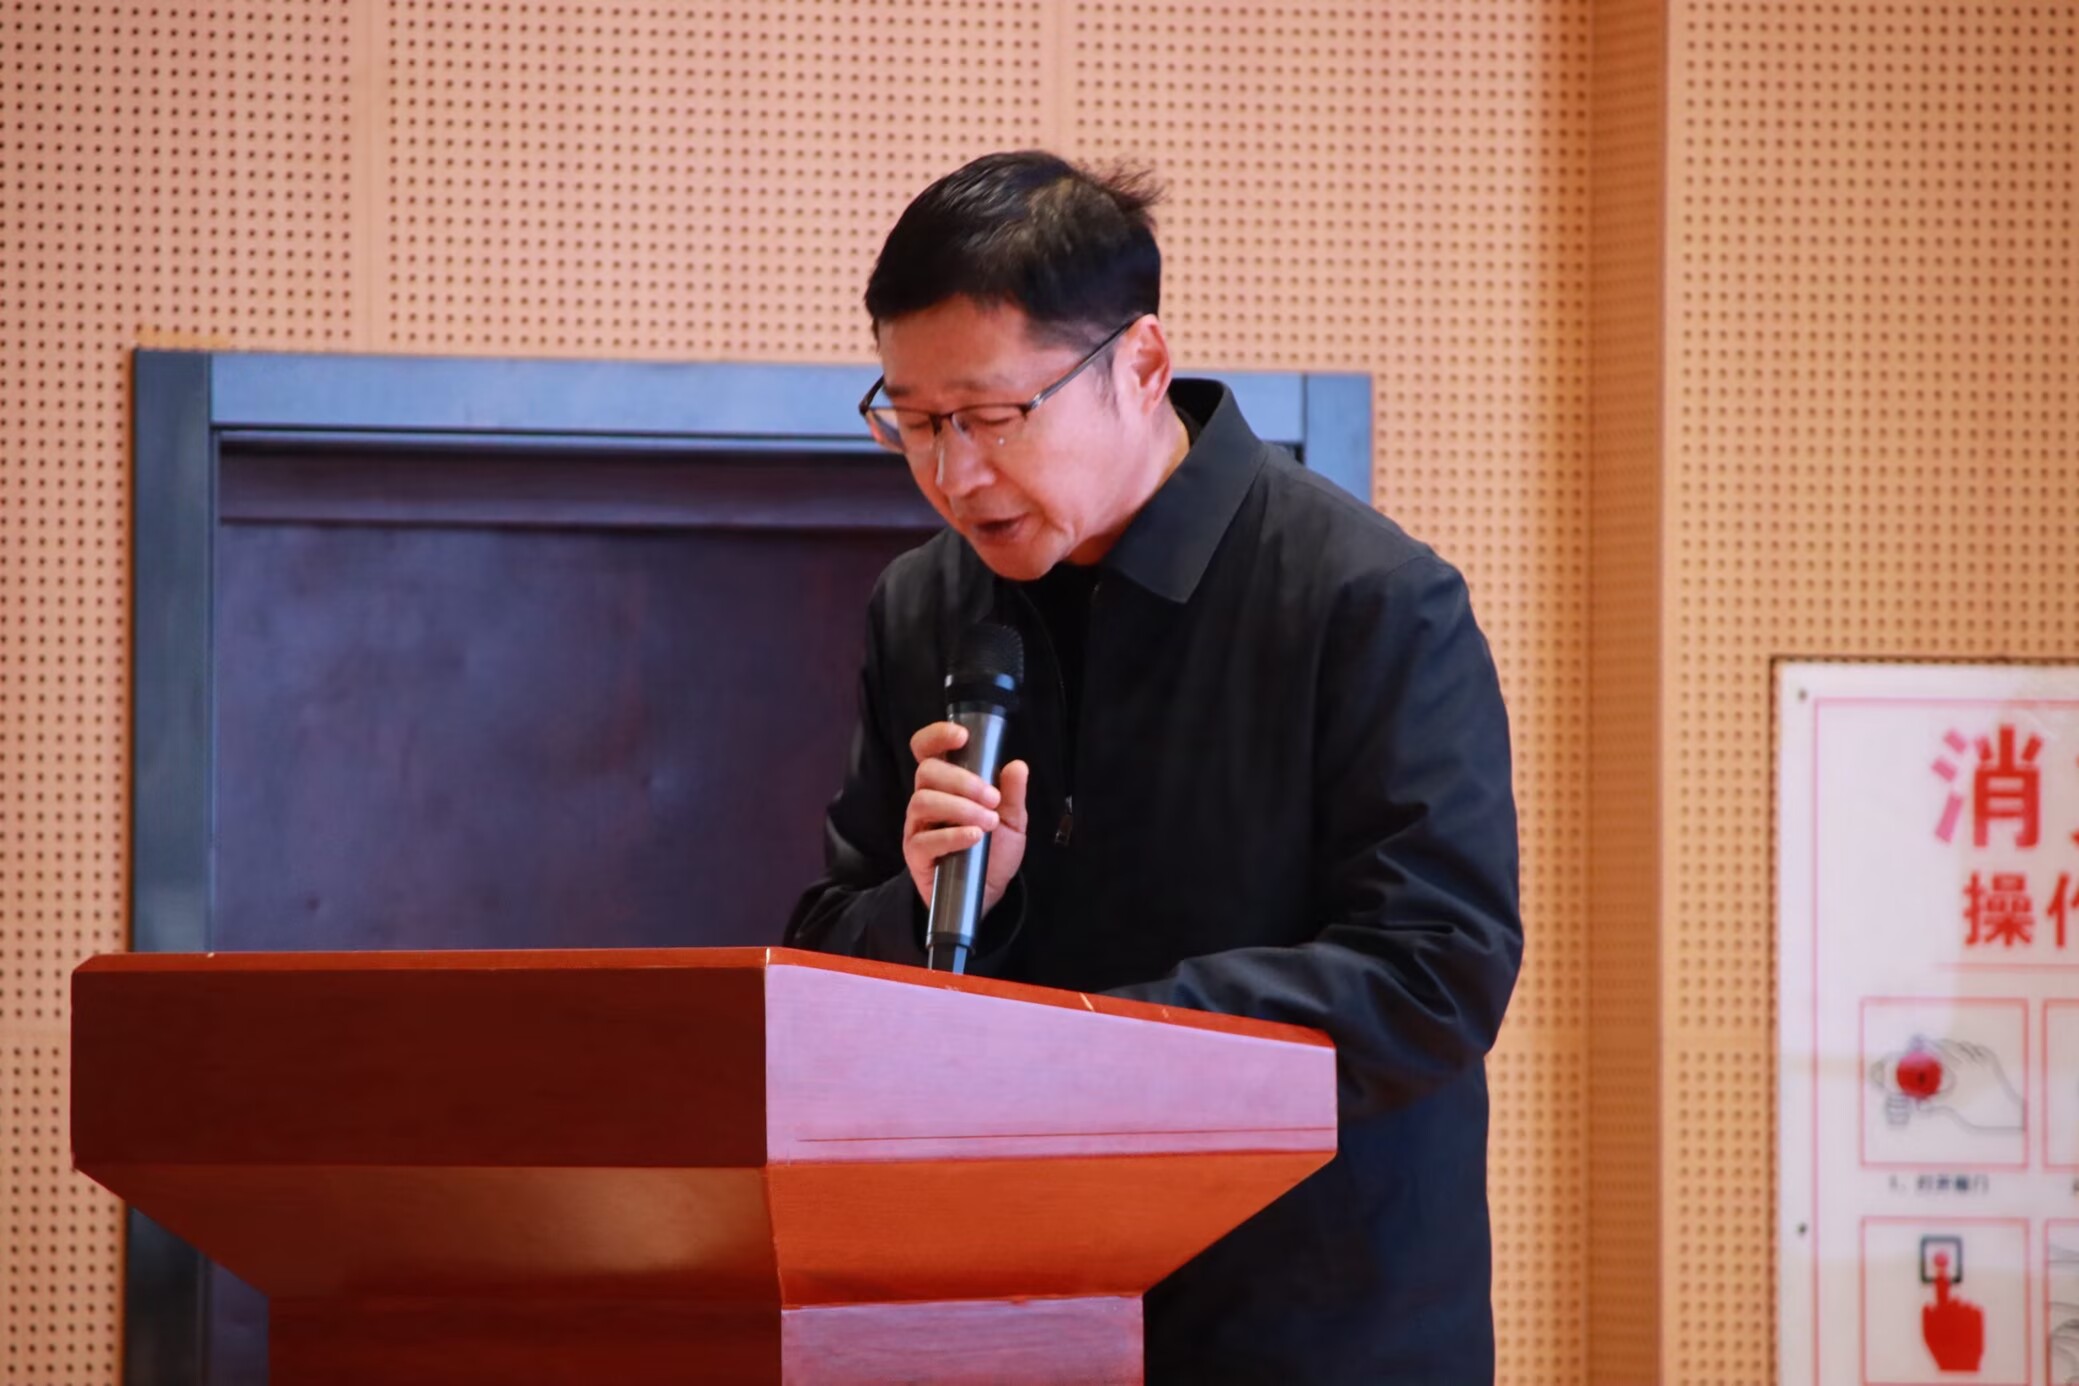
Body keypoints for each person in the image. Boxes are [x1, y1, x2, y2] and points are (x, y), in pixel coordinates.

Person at [784, 150, 1522, 1385]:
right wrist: (925, 903)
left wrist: (1091, 1050)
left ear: (1139, 365)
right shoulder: (922, 608)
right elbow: (823, 955)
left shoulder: (1369, 601)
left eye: (993, 417)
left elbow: (1435, 971)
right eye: (914, 423)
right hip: (1000, 1323)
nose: (954, 475)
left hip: (1313, 1335)